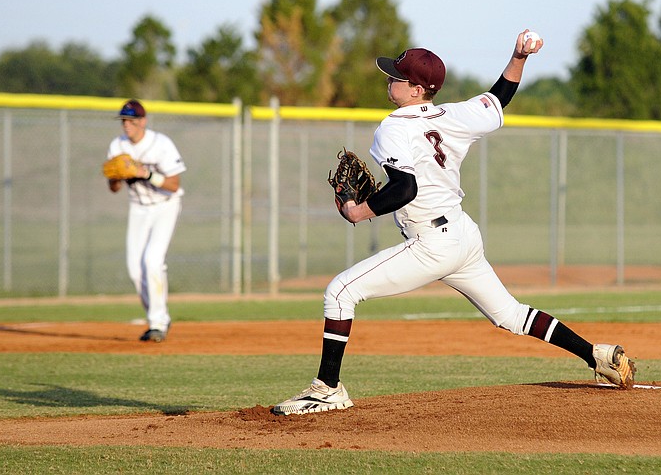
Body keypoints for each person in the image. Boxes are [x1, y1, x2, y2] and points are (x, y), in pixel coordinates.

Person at [271, 30, 635, 416]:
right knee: (511, 315)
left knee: (339, 292)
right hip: (462, 235)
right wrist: (519, 56)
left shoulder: (394, 126)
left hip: (432, 244)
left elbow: (405, 188)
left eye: (397, 76)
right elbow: (499, 97)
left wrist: (359, 211)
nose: (389, 80)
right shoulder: (454, 114)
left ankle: (328, 388)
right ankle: (596, 355)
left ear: (415, 89)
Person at [105, 99, 186, 343]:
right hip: (138, 208)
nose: (126, 125)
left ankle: (158, 322)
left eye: (130, 120)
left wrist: (145, 173)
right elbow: (114, 188)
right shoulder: (117, 146)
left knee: (152, 261)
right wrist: (116, 175)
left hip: (165, 206)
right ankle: (158, 317)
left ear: (143, 121)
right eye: (123, 121)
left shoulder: (161, 145)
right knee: (134, 269)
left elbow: (174, 185)